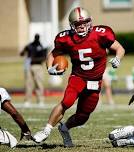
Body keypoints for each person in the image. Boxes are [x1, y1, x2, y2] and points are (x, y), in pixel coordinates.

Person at [33, 7, 125, 147]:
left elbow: (120, 48)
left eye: (84, 23)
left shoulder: (100, 34)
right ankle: (46, 130)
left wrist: (118, 58)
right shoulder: (66, 38)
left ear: (90, 22)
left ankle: (64, 128)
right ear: (72, 25)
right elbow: (52, 54)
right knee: (67, 102)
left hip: (95, 81)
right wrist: (50, 68)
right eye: (77, 24)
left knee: (83, 116)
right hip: (78, 77)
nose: (81, 26)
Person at [20, 34, 47, 107]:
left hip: (38, 66)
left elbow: (44, 57)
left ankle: (40, 100)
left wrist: (33, 59)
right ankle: (27, 100)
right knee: (28, 84)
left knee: (39, 83)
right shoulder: (30, 45)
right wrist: (24, 50)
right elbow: (22, 54)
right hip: (28, 66)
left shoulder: (42, 46)